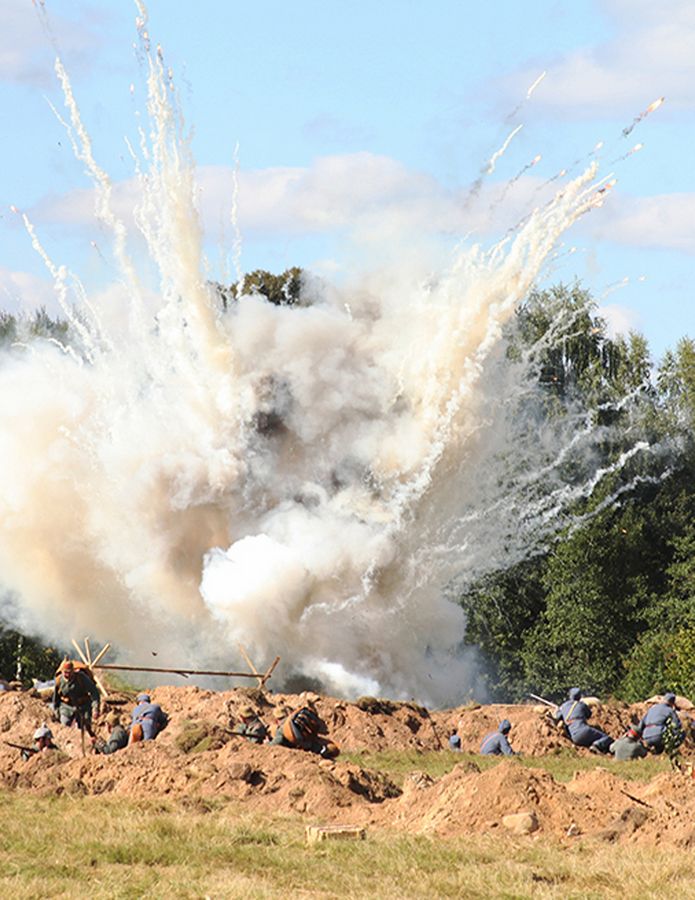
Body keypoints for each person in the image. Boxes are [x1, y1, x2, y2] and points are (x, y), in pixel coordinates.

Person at [553, 688, 612, 753]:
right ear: (580, 696)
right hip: (584, 730)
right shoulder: (582, 705)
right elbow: (588, 715)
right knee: (606, 738)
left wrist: (558, 709)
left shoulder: (563, 706)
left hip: (573, 736)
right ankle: (596, 745)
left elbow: (557, 716)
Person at [272, 705, 340, 759]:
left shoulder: (282, 728)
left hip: (303, 743)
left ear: (276, 720)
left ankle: (326, 752)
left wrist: (267, 744)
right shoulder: (294, 721)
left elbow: (277, 741)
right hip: (307, 740)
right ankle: (326, 751)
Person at [51, 660, 100, 732]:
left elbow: (94, 692)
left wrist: (95, 708)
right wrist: (56, 712)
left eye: (69, 672)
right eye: (65, 672)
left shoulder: (82, 678)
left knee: (86, 728)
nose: (67, 675)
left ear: (73, 671)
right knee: (64, 726)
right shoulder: (59, 680)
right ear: (62, 672)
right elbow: (55, 698)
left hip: (83, 706)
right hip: (66, 707)